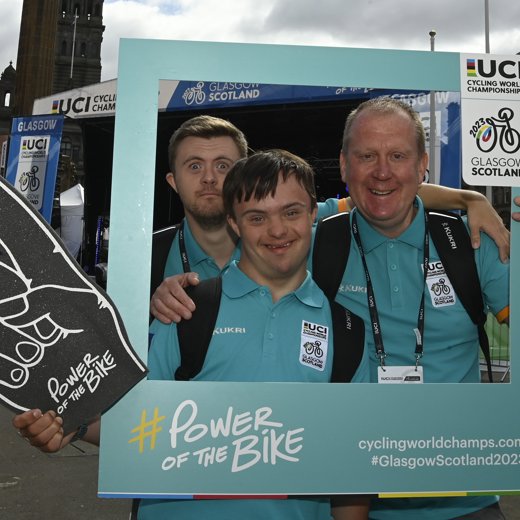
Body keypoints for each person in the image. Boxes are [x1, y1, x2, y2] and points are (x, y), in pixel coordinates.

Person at [15, 149, 369, 520]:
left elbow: (350, 469)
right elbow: (133, 421)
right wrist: (68, 423)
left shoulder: (347, 332)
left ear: (314, 213)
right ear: (233, 222)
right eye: (257, 217)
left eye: (291, 212)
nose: (277, 230)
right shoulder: (185, 311)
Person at [150, 115, 511, 324]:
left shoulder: (303, 230)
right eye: (195, 166)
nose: (211, 179)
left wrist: (469, 198)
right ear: (172, 180)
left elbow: (377, 195)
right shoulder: (148, 260)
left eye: (224, 166)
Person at [334, 97, 509, 519]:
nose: (381, 170)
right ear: (343, 166)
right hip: (356, 501)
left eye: (398, 155)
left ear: (423, 164)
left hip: (466, 500)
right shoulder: (316, 238)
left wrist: (472, 203)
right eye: (366, 156)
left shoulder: (474, 242)